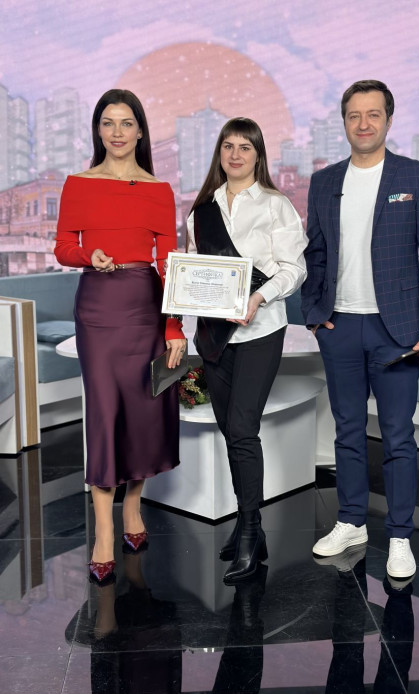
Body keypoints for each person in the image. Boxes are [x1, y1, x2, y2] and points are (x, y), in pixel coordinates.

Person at [301, 80, 419, 579]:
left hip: (399, 330)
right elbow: (315, 252)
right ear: (344, 122)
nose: (363, 124)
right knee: (347, 430)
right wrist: (314, 313)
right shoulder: (324, 181)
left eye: (373, 114)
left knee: (397, 436)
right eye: (354, 115)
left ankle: (400, 535)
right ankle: (351, 521)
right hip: (340, 326)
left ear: (389, 120)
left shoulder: (416, 176)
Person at [55, 89, 186, 583]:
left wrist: (173, 326)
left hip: (145, 306)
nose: (116, 132)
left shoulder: (159, 190)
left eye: (126, 123)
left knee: (143, 412)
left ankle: (133, 506)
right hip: (97, 307)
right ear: (98, 130)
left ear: (140, 131)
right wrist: (88, 256)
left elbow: (168, 264)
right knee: (105, 413)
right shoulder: (78, 184)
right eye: (107, 123)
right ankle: (104, 530)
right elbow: (63, 246)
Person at [187, 117, 307, 583]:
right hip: (214, 334)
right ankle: (245, 526)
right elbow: (195, 269)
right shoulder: (200, 211)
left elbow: (293, 269)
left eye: (245, 147)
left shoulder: (276, 205)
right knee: (229, 431)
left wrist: (259, 296)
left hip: (261, 330)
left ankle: (252, 533)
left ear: (258, 154)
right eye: (228, 146)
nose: (235, 155)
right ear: (219, 152)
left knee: (241, 429)